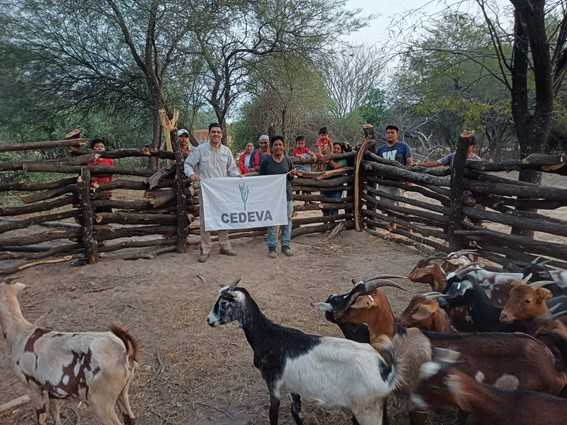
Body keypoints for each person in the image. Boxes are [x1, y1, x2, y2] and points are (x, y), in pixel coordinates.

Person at [184, 123, 240, 263]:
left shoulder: (226, 151)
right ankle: (205, 249)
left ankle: (225, 246)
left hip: (222, 192)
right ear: (209, 134)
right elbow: (188, 164)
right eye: (213, 132)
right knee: (206, 219)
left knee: (223, 217)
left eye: (218, 132)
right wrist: (191, 174)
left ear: (222, 135)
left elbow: (232, 169)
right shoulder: (201, 150)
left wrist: (237, 176)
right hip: (206, 191)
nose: (216, 134)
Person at [260, 135, 297, 259]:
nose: (278, 147)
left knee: (287, 221)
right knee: (273, 222)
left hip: (287, 196)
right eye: (275, 145)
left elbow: (290, 178)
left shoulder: (288, 161)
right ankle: (272, 247)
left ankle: (286, 245)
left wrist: (292, 175)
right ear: (272, 147)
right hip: (272, 198)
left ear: (284, 147)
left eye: (280, 145)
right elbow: (262, 180)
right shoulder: (266, 162)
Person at [376, 125, 414, 230]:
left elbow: (410, 164)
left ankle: (409, 228)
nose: (390, 135)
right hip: (385, 182)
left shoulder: (403, 146)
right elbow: (376, 165)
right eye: (388, 133)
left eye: (392, 132)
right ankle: (393, 228)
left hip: (400, 182)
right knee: (389, 208)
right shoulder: (380, 150)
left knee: (404, 206)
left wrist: (410, 180)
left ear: (397, 134)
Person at [321, 142, 348, 217]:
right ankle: (325, 225)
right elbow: (322, 170)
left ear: (341, 151)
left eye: (338, 149)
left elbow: (336, 166)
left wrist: (329, 158)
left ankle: (333, 225)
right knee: (324, 208)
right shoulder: (330, 158)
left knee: (334, 207)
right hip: (325, 186)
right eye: (335, 148)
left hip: (336, 188)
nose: (336, 150)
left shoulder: (343, 160)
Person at [416, 137, 481, 168]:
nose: (464, 147)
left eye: (467, 145)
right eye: (463, 144)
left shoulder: (477, 160)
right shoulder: (453, 156)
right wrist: (418, 164)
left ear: (473, 146)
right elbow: (436, 163)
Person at [88, 138, 114, 214]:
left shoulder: (109, 160)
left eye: (102, 146)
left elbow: (111, 176)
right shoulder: (90, 161)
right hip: (94, 189)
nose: (100, 148)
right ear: (92, 149)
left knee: (106, 211)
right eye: (97, 146)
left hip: (106, 189)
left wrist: (110, 187)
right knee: (95, 210)